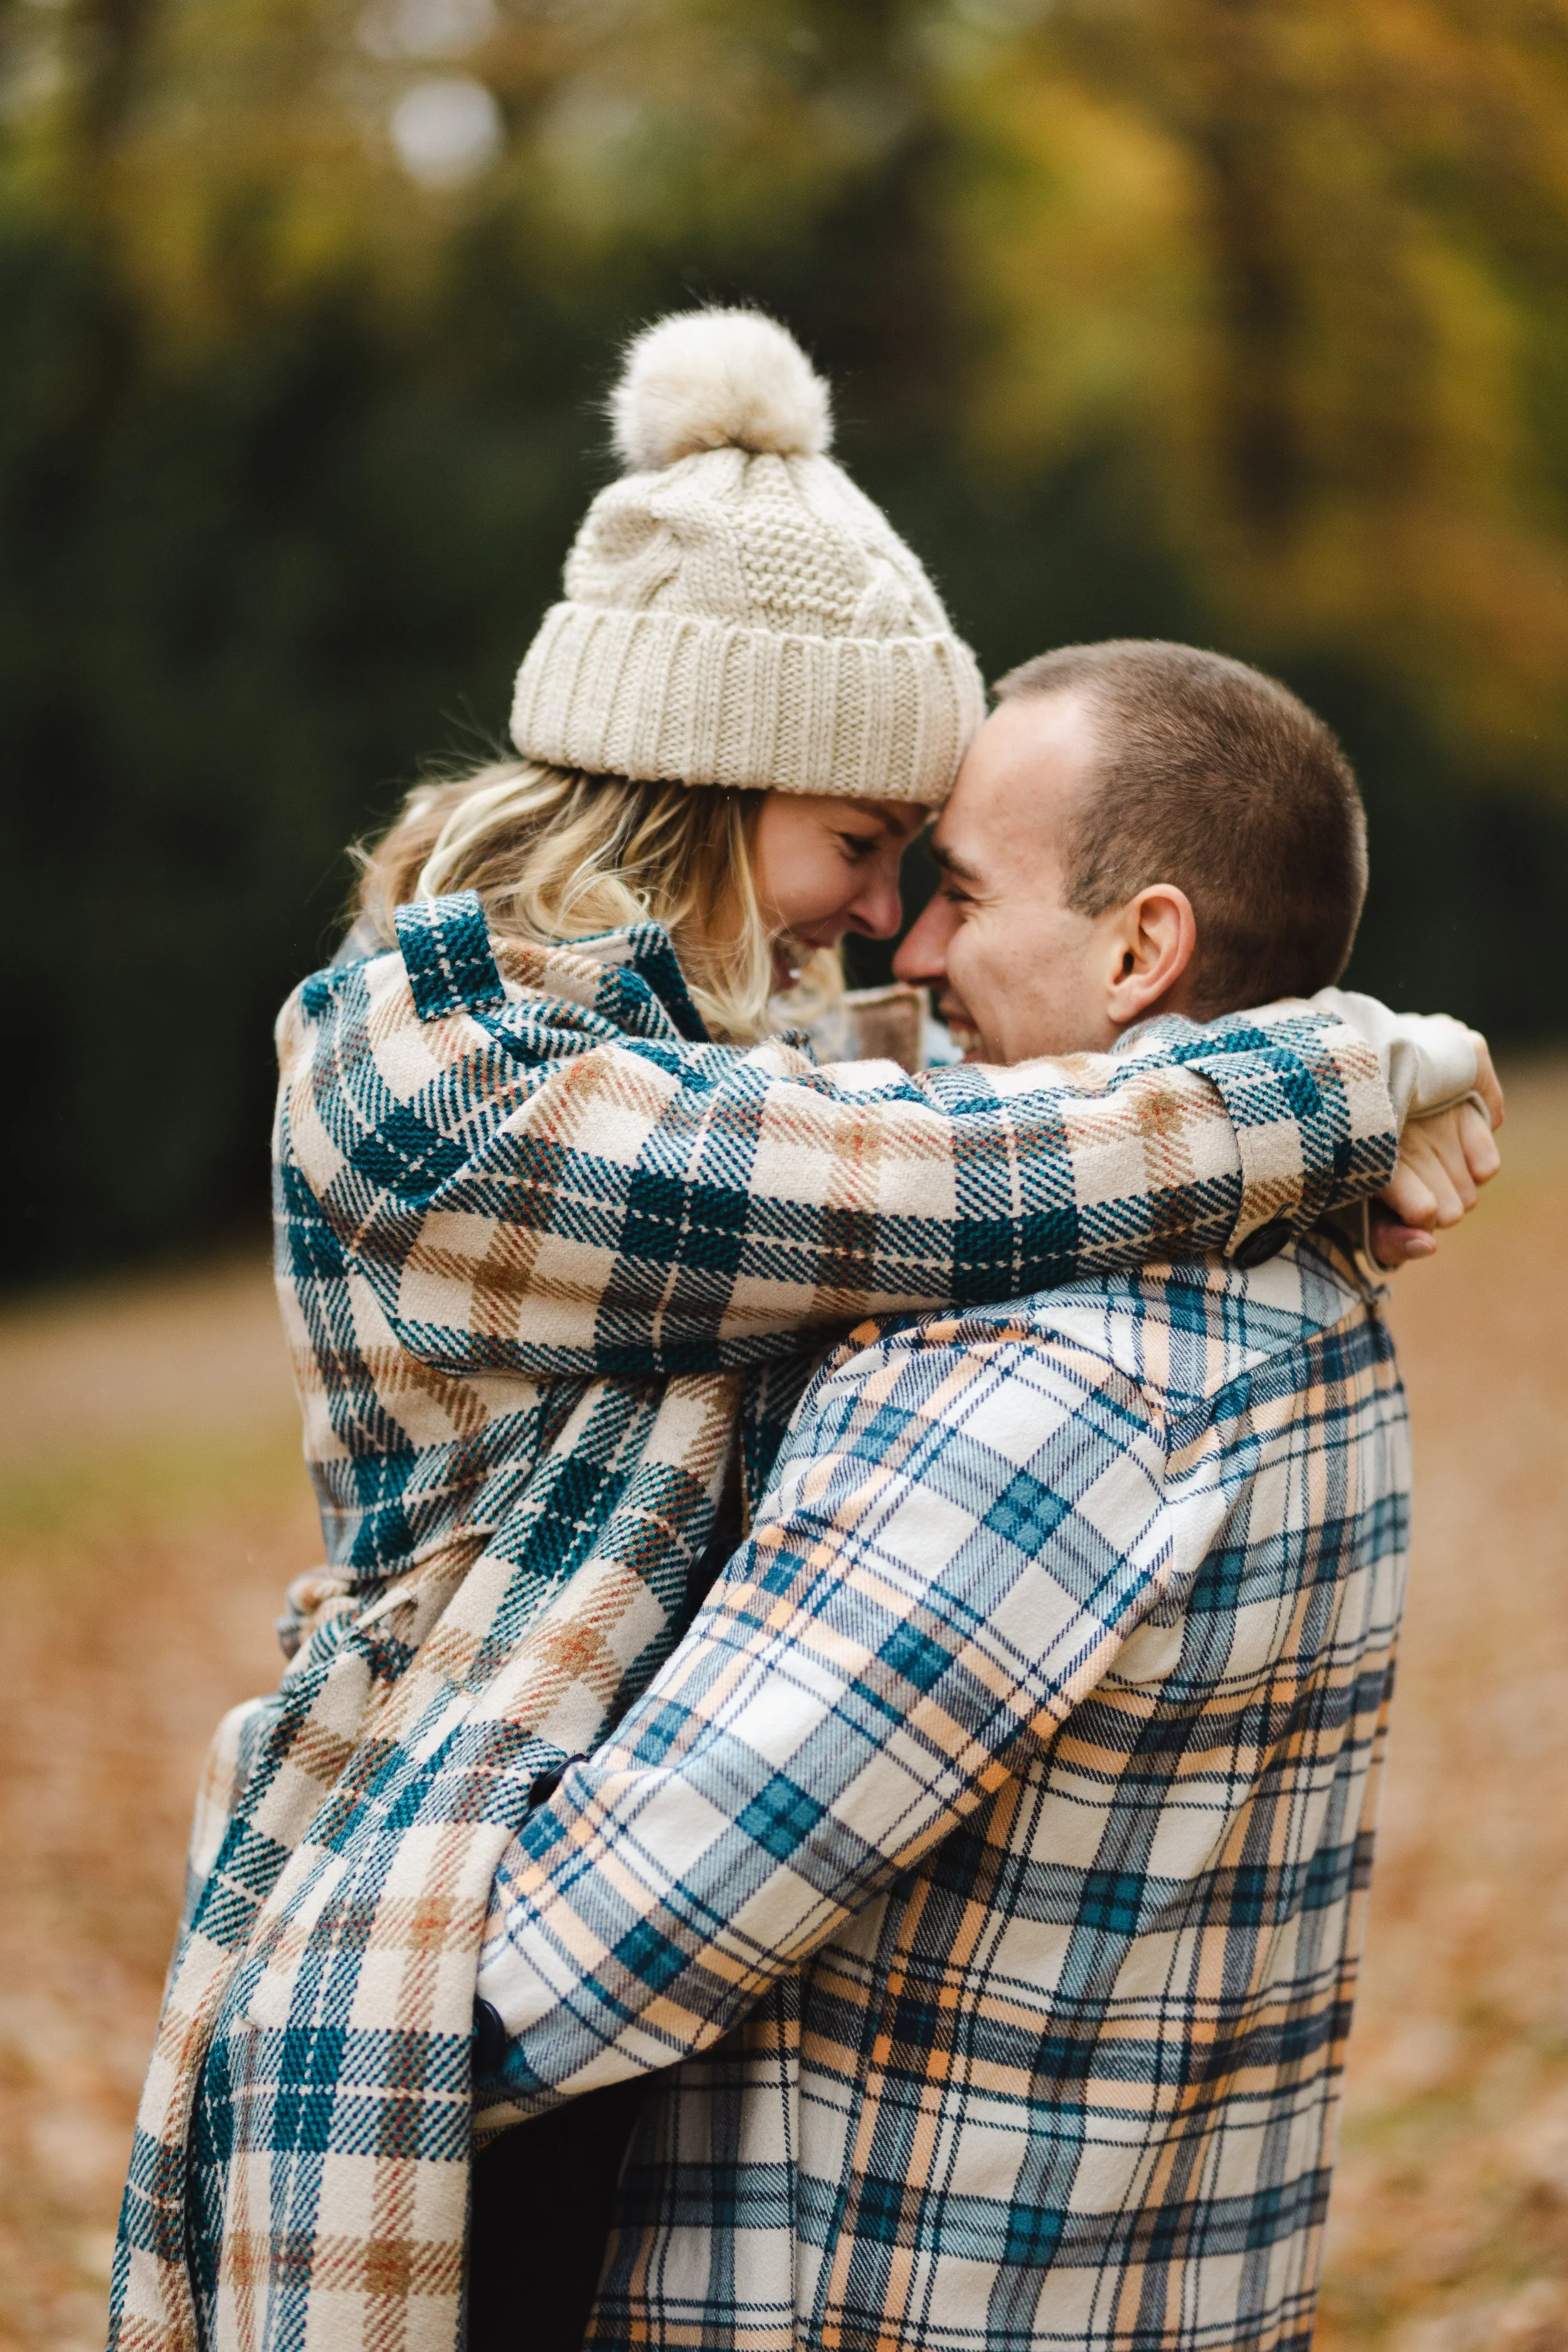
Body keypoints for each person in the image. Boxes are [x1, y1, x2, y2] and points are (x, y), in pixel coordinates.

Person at [107, 310, 1487, 2352]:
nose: (887, 930)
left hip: (590, 1888)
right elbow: (929, 1164)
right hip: (433, 1828)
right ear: (709, 788)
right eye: (864, 848)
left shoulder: (730, 1064)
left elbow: (914, 1113)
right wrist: (1334, 1075)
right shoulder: (441, 1080)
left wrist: (1301, 1082)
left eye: (930, 875)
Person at [469, 640, 1500, 2352]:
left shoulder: (1060, 1377)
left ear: (1139, 947)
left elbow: (571, 1963)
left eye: (954, 888)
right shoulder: (1315, 1294)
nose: (906, 943)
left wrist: (291, 2008)